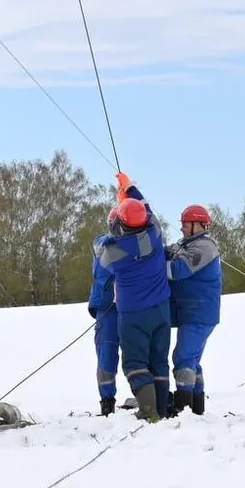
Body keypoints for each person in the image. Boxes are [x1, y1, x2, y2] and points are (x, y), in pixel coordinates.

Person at [95, 172, 172, 422]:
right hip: (161, 310)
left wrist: (112, 226)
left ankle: (150, 413)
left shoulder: (114, 251)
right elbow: (146, 210)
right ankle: (161, 409)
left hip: (133, 314)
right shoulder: (156, 234)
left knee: (135, 364)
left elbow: (100, 252)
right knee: (158, 362)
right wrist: (129, 190)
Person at [165, 204, 222, 416]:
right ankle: (197, 409)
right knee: (192, 361)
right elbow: (168, 252)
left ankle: (184, 407)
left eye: (185, 224)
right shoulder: (186, 244)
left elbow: (177, 270)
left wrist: (148, 270)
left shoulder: (204, 248)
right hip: (193, 312)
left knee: (183, 357)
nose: (181, 228)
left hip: (199, 312)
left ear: (198, 225)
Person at [87, 207, 120, 416]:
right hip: (107, 308)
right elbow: (101, 251)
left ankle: (147, 398)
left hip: (131, 308)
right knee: (106, 356)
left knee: (138, 356)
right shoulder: (103, 244)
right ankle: (107, 402)